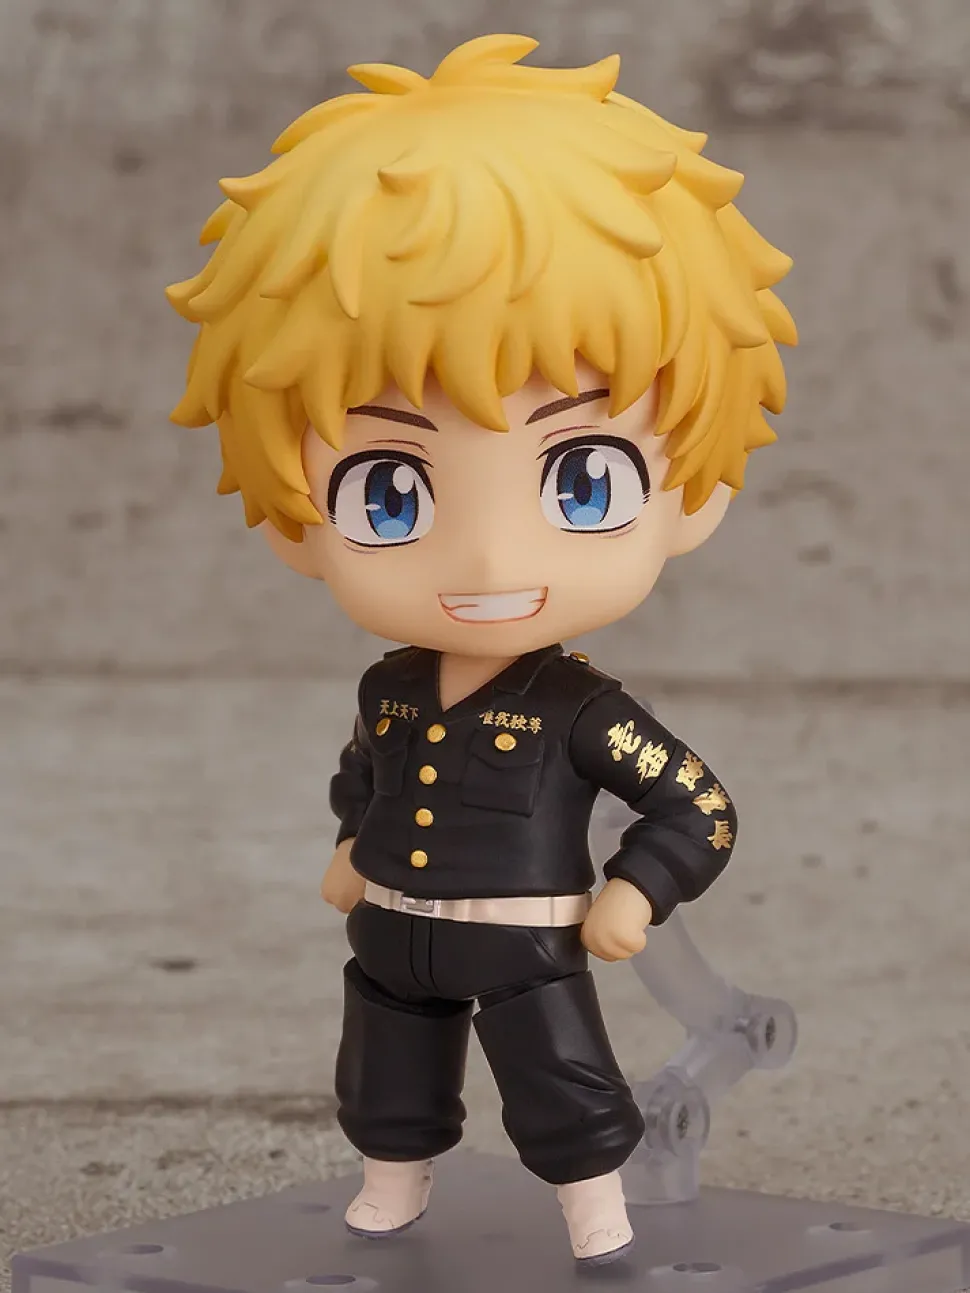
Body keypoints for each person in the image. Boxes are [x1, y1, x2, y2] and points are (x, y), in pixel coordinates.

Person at [166, 32, 796, 1266]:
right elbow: (363, 772)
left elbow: (699, 806)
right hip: (391, 928)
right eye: (389, 492)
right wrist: (348, 845)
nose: (490, 559)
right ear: (295, 520)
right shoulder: (389, 686)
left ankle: (594, 1207)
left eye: (580, 478)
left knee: (558, 1078)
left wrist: (634, 892)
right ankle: (390, 1182)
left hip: (525, 940)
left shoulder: (582, 708)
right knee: (385, 1067)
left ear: (693, 490)